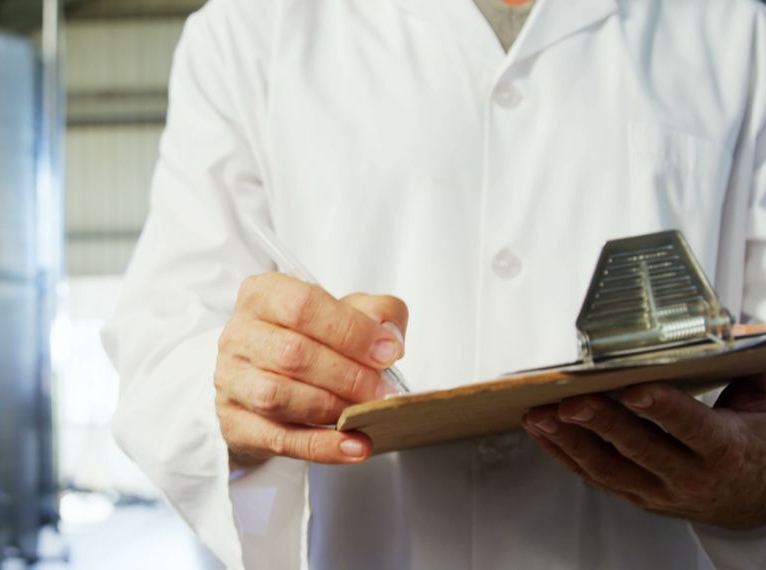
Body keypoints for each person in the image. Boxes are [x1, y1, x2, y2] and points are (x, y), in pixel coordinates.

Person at [102, 0, 766, 568]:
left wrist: (754, 481)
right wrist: (240, 387)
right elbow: (163, 343)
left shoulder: (736, 32)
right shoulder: (252, 29)